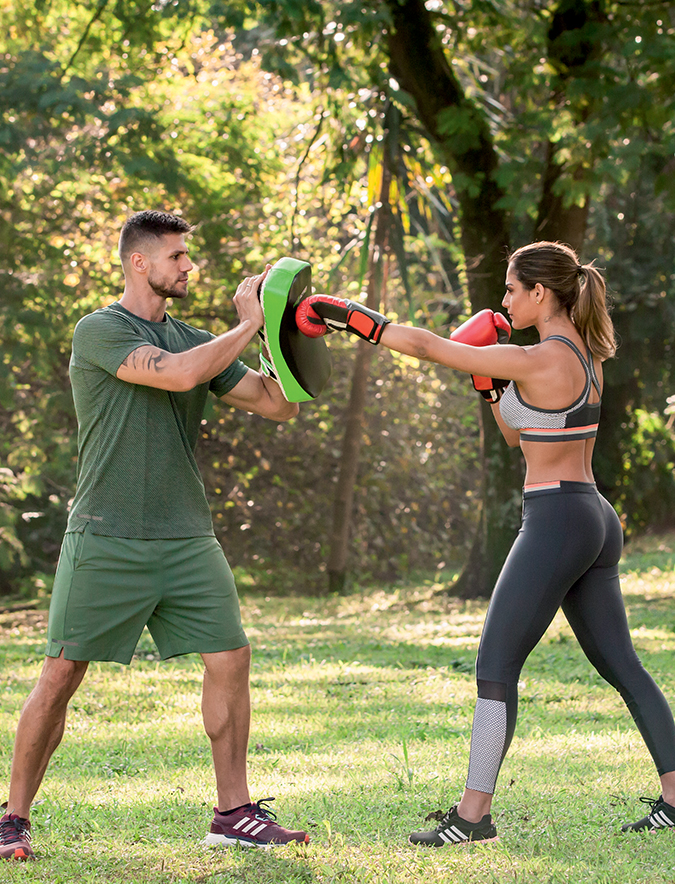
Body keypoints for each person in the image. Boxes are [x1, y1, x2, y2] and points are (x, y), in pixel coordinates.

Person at [296, 240, 675, 843]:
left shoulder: (541, 355)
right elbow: (518, 436)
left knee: (495, 668)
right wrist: (487, 379)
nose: (503, 301)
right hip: (592, 516)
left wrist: (349, 315)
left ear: (539, 294)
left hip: (555, 518)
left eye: (510, 290)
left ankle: (472, 817)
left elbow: (424, 346)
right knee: (622, 664)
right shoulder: (585, 356)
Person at [0, 210, 310, 861]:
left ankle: (233, 812)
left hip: (186, 537)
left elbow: (276, 404)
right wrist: (248, 321)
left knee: (230, 659)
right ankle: (11, 818)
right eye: (176, 257)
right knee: (60, 673)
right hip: (105, 534)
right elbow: (172, 374)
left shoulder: (198, 339)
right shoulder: (101, 330)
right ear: (139, 262)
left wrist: (278, 332)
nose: (187, 267)